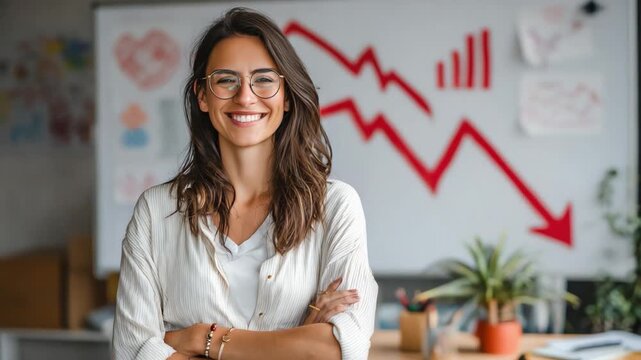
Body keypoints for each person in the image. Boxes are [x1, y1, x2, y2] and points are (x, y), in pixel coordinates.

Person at [112, 7, 378, 360]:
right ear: (203, 96)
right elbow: (131, 353)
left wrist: (201, 339)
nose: (245, 97)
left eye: (264, 79)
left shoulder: (336, 206)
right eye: (226, 80)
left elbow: (342, 349)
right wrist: (304, 329)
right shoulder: (156, 211)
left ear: (285, 96)